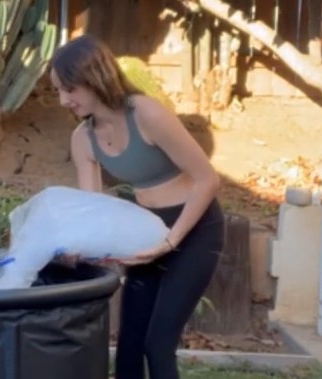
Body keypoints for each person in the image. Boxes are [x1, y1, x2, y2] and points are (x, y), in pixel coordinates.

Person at [49, 34, 226, 379]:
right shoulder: (83, 139)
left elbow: (208, 180)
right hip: (146, 232)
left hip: (194, 229)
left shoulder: (146, 113)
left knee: (157, 344)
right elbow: (93, 210)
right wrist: (77, 246)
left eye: (68, 89)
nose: (62, 100)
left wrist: (171, 241)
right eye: (58, 90)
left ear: (94, 76)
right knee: (129, 344)